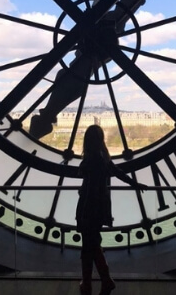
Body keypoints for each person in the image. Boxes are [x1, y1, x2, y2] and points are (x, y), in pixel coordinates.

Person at [76, 125, 146, 295]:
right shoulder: (103, 157)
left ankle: (91, 283)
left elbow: (88, 183)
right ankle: (103, 281)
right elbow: (117, 172)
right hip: (99, 208)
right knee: (92, 245)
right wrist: (134, 184)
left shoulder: (92, 158)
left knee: (89, 247)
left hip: (88, 207)